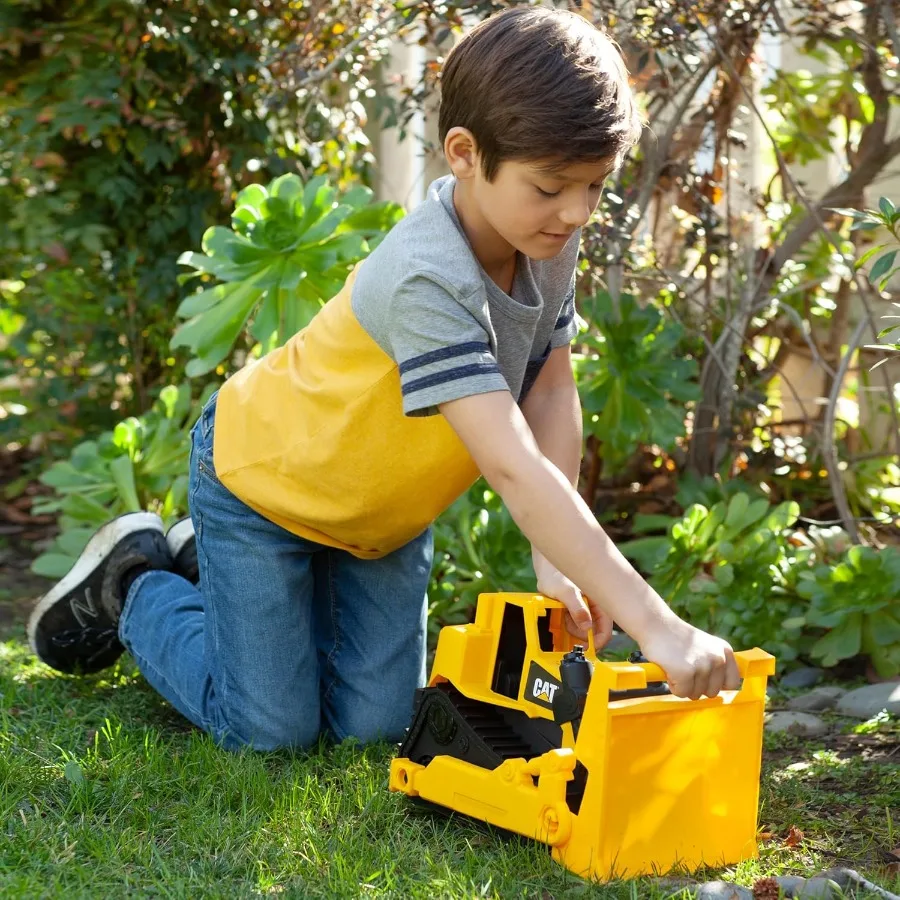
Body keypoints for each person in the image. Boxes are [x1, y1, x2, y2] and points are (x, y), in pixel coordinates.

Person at [28, 6, 741, 751]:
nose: (576, 211)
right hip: (266, 487)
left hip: (380, 519)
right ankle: (136, 585)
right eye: (552, 186)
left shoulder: (546, 238)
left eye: (594, 186)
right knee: (271, 733)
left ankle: (218, 583)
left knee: (377, 729)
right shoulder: (425, 279)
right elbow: (510, 464)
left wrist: (555, 562)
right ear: (465, 153)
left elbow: (552, 390)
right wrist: (657, 624)